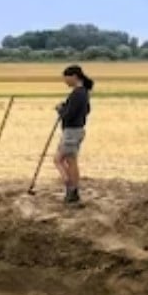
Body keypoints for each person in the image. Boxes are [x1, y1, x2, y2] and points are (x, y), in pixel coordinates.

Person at [54, 64, 93, 204]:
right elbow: (87, 110)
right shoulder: (84, 92)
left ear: (74, 77)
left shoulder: (77, 93)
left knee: (61, 160)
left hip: (72, 131)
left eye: (67, 78)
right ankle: (72, 188)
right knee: (68, 160)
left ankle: (70, 187)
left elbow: (69, 115)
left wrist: (60, 110)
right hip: (77, 130)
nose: (65, 81)